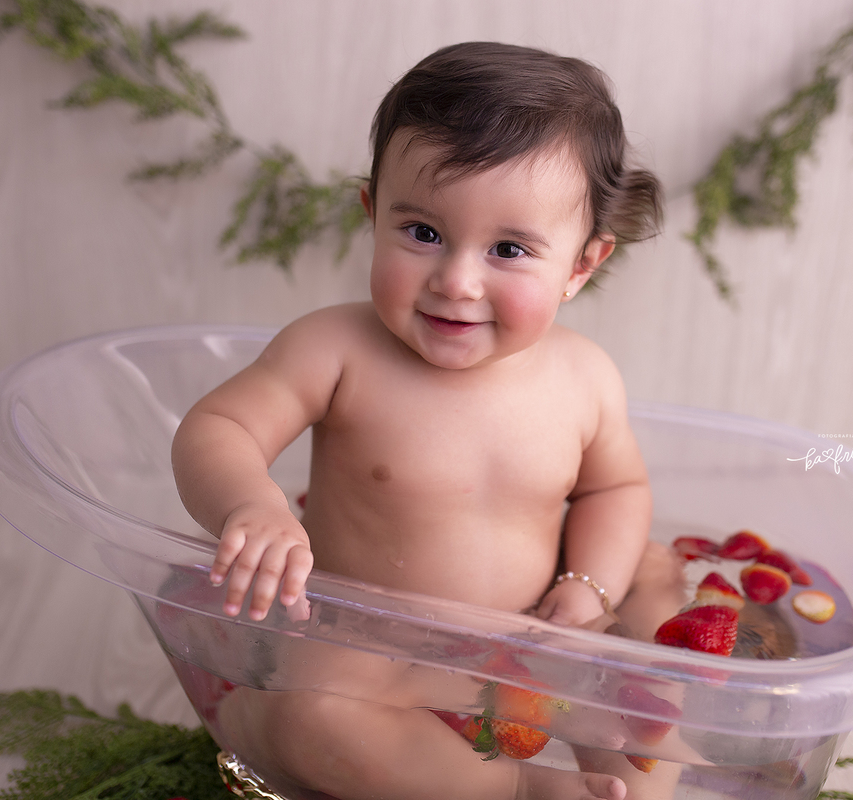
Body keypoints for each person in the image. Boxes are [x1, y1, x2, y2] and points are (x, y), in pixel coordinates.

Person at [172, 41, 671, 800]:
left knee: (655, 679)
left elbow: (616, 490)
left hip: (535, 633)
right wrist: (254, 505)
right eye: (424, 233)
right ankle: (525, 792)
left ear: (581, 265)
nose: (457, 281)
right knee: (306, 726)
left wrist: (587, 589)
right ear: (373, 212)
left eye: (508, 249)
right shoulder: (333, 350)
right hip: (369, 646)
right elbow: (218, 428)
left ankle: (633, 788)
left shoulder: (584, 377)